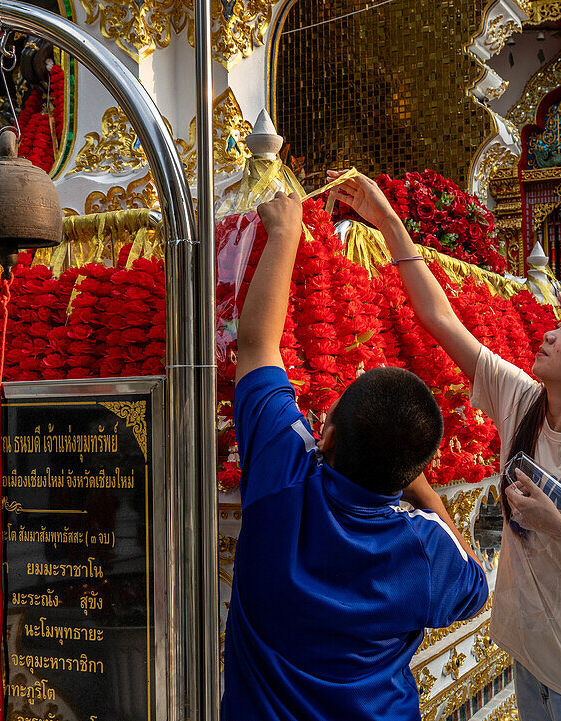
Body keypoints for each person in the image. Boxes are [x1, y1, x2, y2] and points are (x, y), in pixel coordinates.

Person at [331, 172, 561, 721]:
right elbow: (439, 320)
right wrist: (391, 223)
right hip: (535, 673)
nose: (548, 334)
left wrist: (558, 528)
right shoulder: (522, 402)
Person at [222, 192, 489, 721]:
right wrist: (421, 489)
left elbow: (255, 346)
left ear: (324, 437)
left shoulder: (283, 479)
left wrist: (283, 234)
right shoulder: (425, 548)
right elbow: (475, 580)